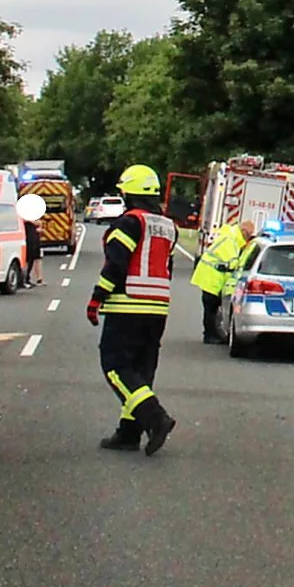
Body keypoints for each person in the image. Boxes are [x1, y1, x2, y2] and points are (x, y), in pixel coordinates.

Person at [87, 164, 178, 455]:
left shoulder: (128, 222)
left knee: (116, 366)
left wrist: (97, 298)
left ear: (129, 194)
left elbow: (116, 264)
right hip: (157, 307)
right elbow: (168, 267)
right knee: (141, 368)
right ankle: (129, 433)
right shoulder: (167, 225)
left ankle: (155, 418)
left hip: (128, 304)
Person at [190, 218, 254, 345]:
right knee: (211, 308)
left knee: (212, 308)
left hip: (211, 275)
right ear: (244, 232)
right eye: (248, 236)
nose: (247, 240)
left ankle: (212, 334)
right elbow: (232, 264)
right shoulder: (231, 241)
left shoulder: (231, 236)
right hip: (211, 278)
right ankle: (209, 335)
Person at [22, 214, 45, 288]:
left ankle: (38, 279)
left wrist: (39, 226)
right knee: (27, 259)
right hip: (28, 238)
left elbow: (39, 223)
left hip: (35, 238)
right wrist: (33, 221)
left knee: (35, 258)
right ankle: (24, 279)